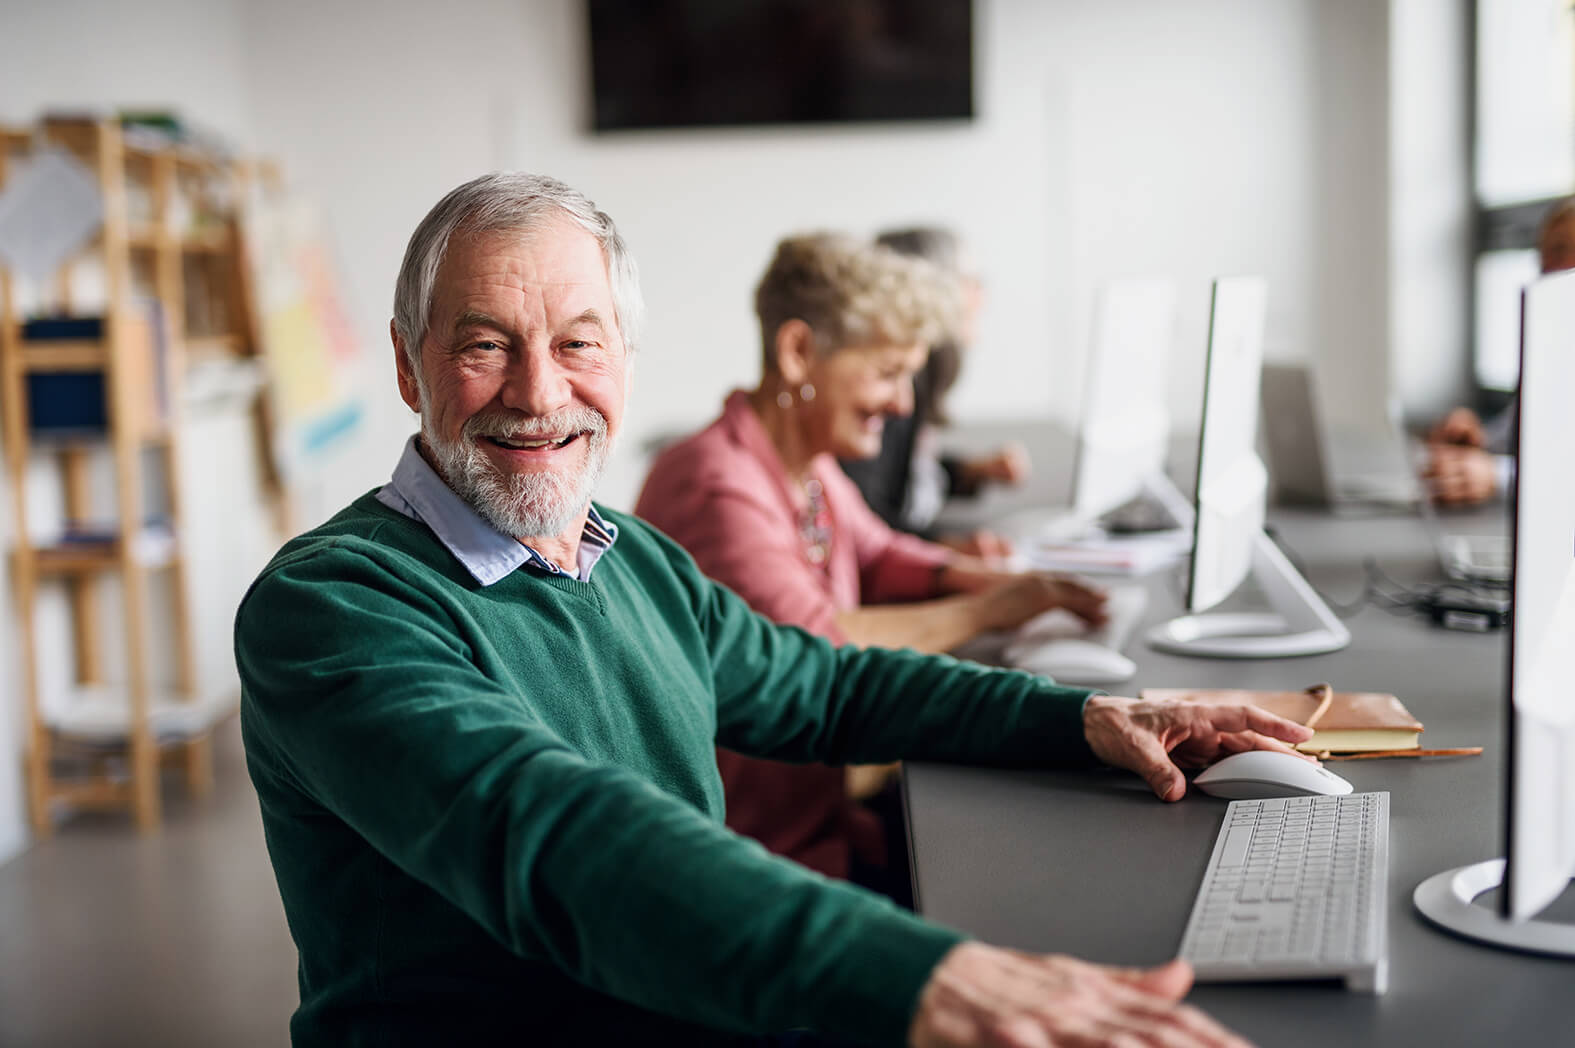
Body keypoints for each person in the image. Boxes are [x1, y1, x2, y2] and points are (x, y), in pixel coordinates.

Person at [235, 171, 1311, 1047]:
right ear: (407, 364)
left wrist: (1080, 719)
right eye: (484, 344)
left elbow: (825, 683)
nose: (538, 389)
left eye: (578, 342)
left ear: (624, 358)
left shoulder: (632, 557)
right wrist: (921, 971)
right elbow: (555, 833)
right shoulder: (328, 609)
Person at [635, 232, 1105, 903]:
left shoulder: (802, 463)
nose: (903, 404)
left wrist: (975, 577)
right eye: (887, 373)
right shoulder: (714, 483)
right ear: (798, 353)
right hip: (759, 866)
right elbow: (813, 649)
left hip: (822, 818)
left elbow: (878, 551)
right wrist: (987, 610)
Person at [837, 227, 1024, 559]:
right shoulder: (888, 390)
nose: (981, 294)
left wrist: (968, 473)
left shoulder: (915, 379)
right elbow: (865, 514)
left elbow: (902, 481)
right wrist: (942, 550)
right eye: (970, 279)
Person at [1423, 196, 1575, 505]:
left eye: (1561, 249)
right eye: (1544, 253)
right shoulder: (1554, 348)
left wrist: (1497, 476)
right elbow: (1515, 434)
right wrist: (1476, 438)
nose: (1549, 265)